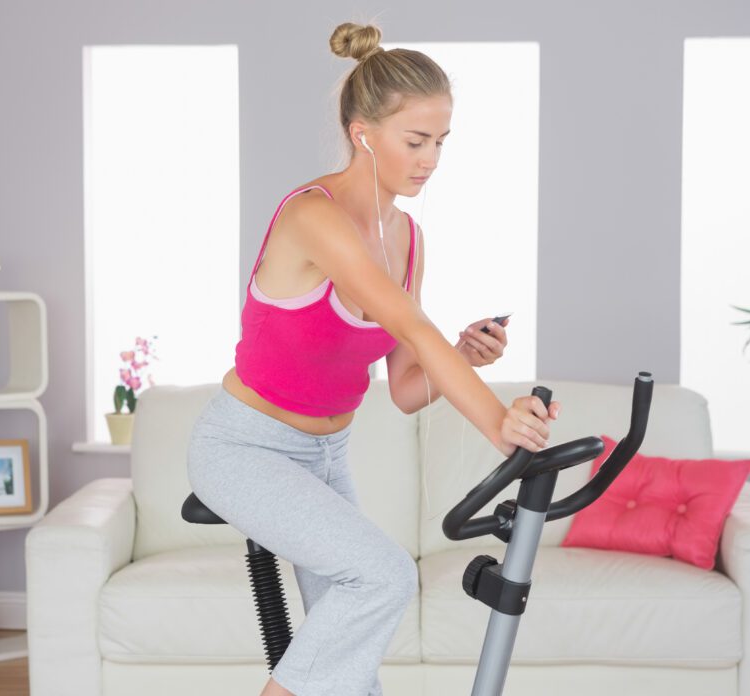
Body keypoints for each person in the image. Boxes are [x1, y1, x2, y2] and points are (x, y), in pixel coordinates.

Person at [186, 21, 561, 696]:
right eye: (415, 141)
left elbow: (407, 388)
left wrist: (463, 356)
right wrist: (499, 422)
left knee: (349, 670)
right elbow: (411, 324)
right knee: (383, 577)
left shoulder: (408, 238)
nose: (431, 159)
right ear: (363, 134)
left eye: (441, 141)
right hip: (244, 449)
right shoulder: (315, 216)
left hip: (327, 457)